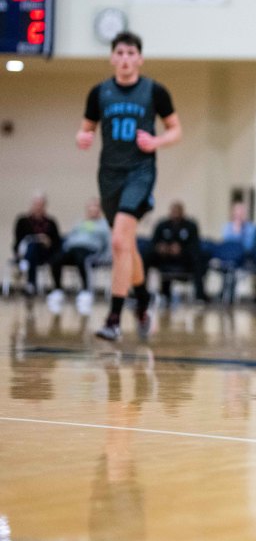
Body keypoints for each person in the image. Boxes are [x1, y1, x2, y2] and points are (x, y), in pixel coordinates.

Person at [76, 31, 182, 341]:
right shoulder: (99, 93)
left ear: (139, 58)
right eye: (119, 53)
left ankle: (113, 318)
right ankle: (144, 299)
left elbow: (176, 130)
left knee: (120, 242)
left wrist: (157, 141)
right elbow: (85, 130)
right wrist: (81, 138)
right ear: (112, 58)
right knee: (127, 244)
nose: (125, 59)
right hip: (109, 176)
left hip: (140, 173)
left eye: (130, 53)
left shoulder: (154, 91)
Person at [146, 202, 208, 304]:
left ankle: (200, 296)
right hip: (164, 258)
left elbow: (195, 245)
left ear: (183, 212)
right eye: (173, 211)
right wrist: (160, 247)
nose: (175, 214)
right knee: (146, 255)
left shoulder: (191, 226)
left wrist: (182, 250)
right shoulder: (162, 225)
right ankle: (141, 294)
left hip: (184, 259)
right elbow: (153, 243)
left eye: (177, 212)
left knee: (198, 258)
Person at [60, 198, 111, 315]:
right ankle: (57, 290)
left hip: (91, 251)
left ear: (99, 210)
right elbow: (70, 237)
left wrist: (105, 258)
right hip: (73, 249)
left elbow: (108, 244)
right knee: (56, 259)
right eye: (90, 207)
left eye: (95, 207)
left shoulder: (103, 225)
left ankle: (86, 291)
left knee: (82, 259)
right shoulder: (79, 223)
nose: (92, 210)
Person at [11, 192, 64, 305]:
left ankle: (26, 271)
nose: (38, 207)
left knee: (36, 247)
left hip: (44, 254)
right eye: (36, 204)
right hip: (24, 251)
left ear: (44, 206)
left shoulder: (50, 222)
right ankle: (28, 275)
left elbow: (57, 242)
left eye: (40, 204)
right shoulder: (22, 221)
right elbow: (17, 240)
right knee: (32, 245)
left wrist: (47, 241)